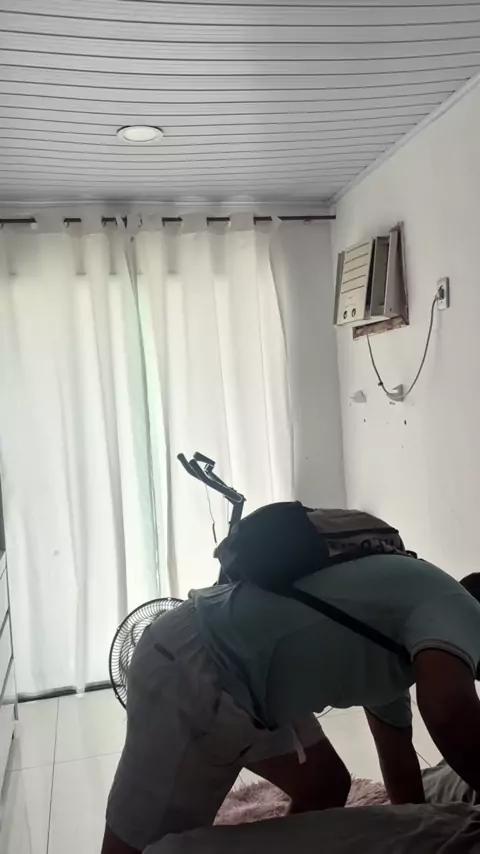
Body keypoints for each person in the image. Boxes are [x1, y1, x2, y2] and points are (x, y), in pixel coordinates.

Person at [101, 558, 480, 854]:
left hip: (255, 677)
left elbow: (399, 764)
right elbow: (448, 711)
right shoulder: (459, 609)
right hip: (195, 664)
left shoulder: (403, 632)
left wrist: (421, 832)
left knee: (324, 786)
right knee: (139, 844)